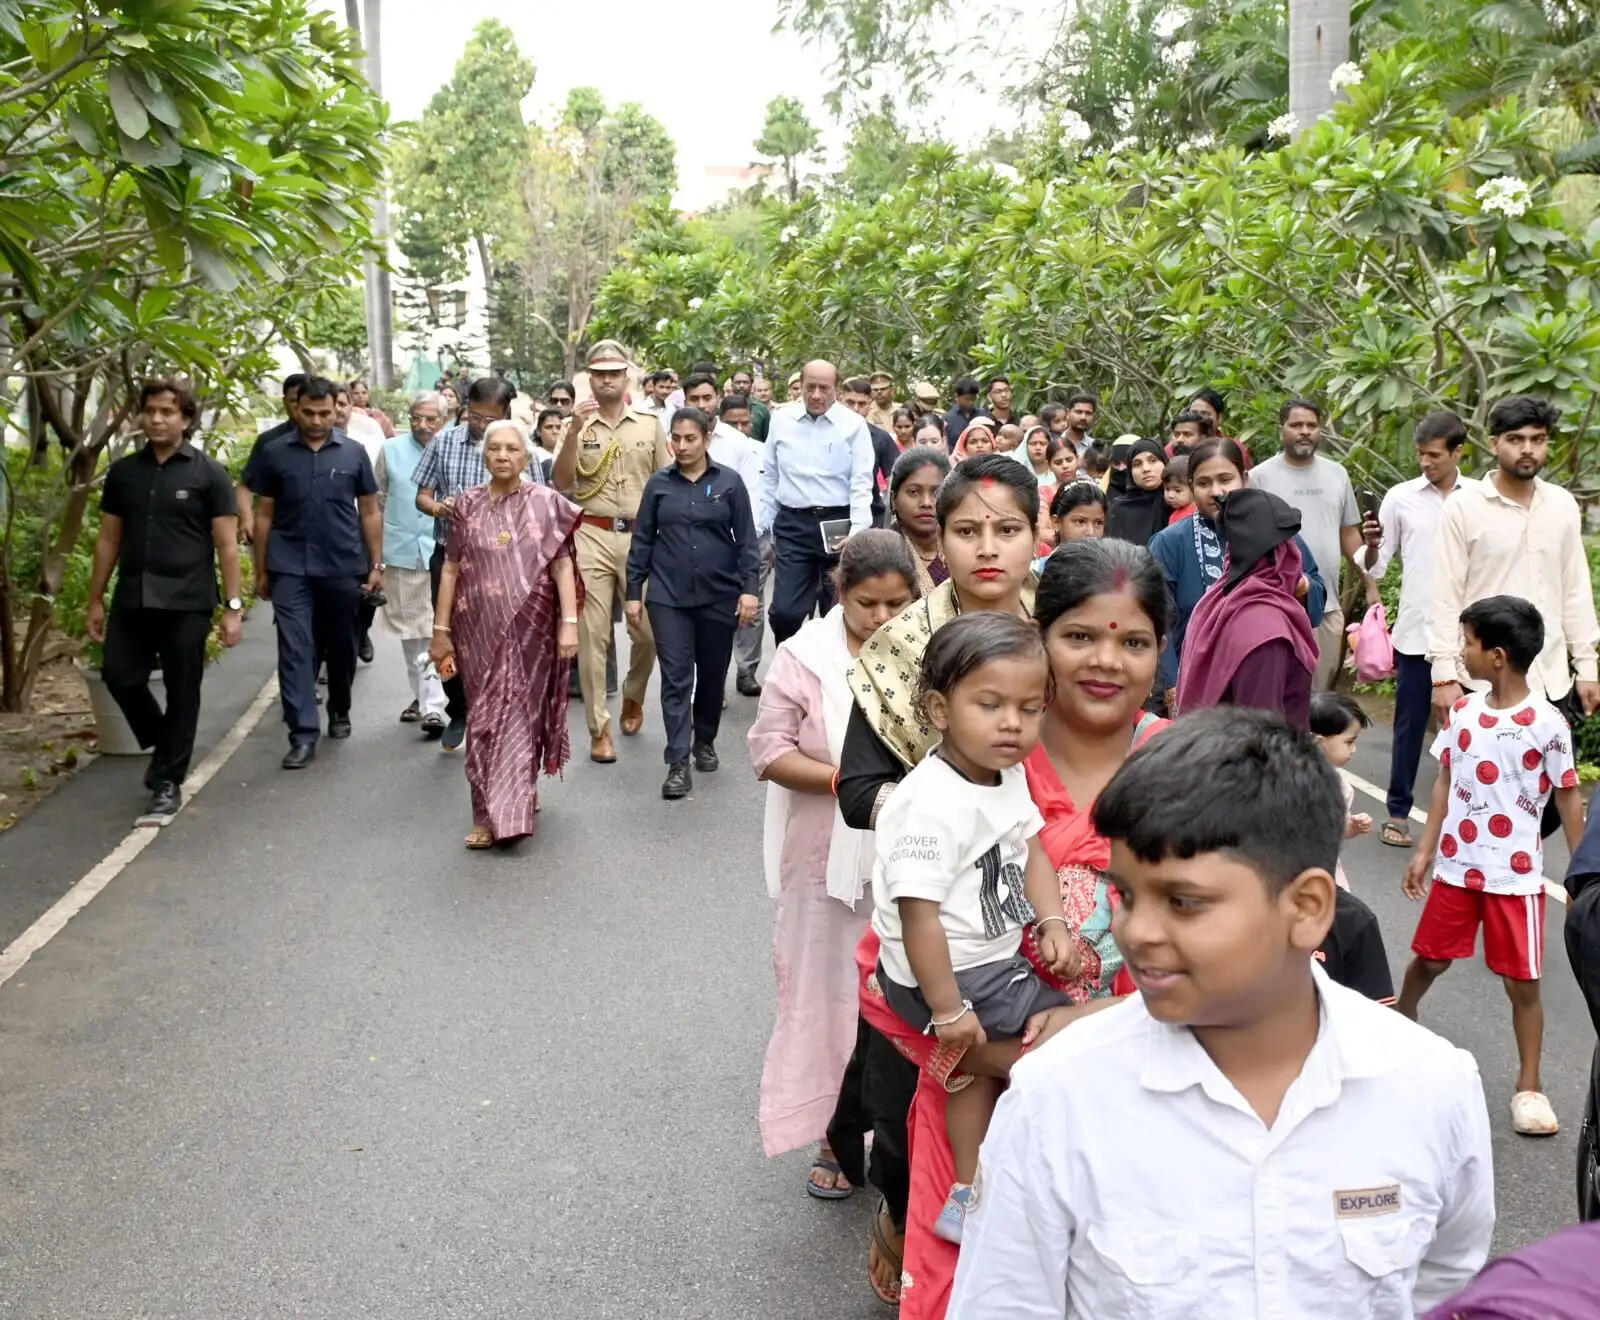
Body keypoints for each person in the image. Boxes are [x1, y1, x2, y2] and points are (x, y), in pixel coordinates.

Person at [948, 708, 1494, 1319]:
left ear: (1309, 907)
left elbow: (1444, 1283)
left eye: (1184, 902)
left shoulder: (1429, 1086)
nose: (1137, 932)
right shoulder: (1059, 1097)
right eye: (1123, 894)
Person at [851, 538, 1172, 1315]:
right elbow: (887, 969)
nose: (1106, 661)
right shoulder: (979, 770)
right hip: (978, 1084)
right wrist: (1015, 1054)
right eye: (1079, 637)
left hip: (1141, 1092)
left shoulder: (1187, 767)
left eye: (1133, 641)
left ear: (1162, 651)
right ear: (1040, 637)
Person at [871, 612, 1079, 1244]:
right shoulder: (930, 803)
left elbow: (1034, 848)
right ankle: (1054, 1186)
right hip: (949, 972)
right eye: (989, 705)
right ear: (938, 708)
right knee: (1080, 1034)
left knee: (974, 1073)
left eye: (1028, 707)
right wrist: (948, 1007)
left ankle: (966, 1193)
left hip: (984, 960)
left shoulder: (1003, 774)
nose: (1012, 723)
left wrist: (1050, 920)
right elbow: (918, 916)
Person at [749, 531, 919, 1195]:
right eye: (867, 604)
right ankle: (834, 1131)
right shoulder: (805, 656)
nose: (882, 618)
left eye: (896, 604)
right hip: (824, 859)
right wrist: (850, 781)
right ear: (838, 592)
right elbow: (768, 751)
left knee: (901, 990)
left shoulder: (934, 652)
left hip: (911, 856)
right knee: (825, 993)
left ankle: (905, 1129)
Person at [1400, 594, 1584, 1135]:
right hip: (1458, 869)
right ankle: (1400, 1022)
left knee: (1522, 982)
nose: (1462, 652)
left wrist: (1579, 873)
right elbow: (1444, 780)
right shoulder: (1463, 712)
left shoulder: (1547, 723)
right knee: (1428, 960)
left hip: (1516, 878)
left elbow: (1569, 795)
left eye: (1468, 643)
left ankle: (1530, 1088)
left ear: (1497, 655)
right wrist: (1425, 849)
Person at [87, 378, 243, 823]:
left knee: (182, 691)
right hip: (133, 596)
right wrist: (95, 598)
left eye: (167, 412)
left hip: (187, 601)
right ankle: (163, 738)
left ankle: (167, 781)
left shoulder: (208, 474)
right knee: (120, 675)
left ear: (186, 419)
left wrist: (232, 609)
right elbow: (108, 539)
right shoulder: (124, 473)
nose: (156, 419)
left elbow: (228, 546)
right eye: (150, 411)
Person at [428, 421, 581, 847]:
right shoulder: (467, 505)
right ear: (484, 456)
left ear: (526, 457)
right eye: (494, 448)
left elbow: (562, 565)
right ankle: (483, 813)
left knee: (522, 713)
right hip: (475, 626)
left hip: (532, 625)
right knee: (483, 719)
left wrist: (569, 623)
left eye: (511, 449)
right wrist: (440, 630)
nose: (502, 455)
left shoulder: (547, 502)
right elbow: (452, 569)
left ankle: (514, 803)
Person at [1426, 394, 1600, 731]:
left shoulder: (1561, 505)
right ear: (1494, 443)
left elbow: (1575, 591)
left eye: (1537, 440)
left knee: (1553, 781)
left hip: (1550, 680)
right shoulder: (1464, 507)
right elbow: (1444, 593)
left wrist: (1588, 667)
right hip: (1481, 684)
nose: (1527, 449)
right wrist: (1443, 676)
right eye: (1515, 439)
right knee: (1476, 781)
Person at [626, 407, 760, 799]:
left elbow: (747, 543)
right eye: (676, 438)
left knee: (712, 674)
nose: (682, 446)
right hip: (668, 597)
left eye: (690, 439)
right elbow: (643, 541)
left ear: (707, 440)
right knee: (676, 676)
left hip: (719, 596)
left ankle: (704, 739)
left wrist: (749, 589)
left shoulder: (730, 484)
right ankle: (677, 762)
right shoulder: (658, 485)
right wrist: (634, 593)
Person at [249, 377, 383, 768]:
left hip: (342, 564)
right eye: (308, 412)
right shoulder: (274, 453)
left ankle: (340, 707)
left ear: (337, 410)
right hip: (289, 565)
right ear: (296, 409)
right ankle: (302, 734)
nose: (317, 420)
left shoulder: (354, 453)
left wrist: (376, 565)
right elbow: (264, 514)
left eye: (325, 412)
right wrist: (261, 570)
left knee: (341, 644)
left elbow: (371, 511)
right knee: (294, 648)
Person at [549, 342, 670, 764]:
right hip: (592, 535)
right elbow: (562, 482)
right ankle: (599, 728)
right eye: (599, 373)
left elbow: (665, 483)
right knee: (592, 636)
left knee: (649, 633)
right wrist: (574, 433)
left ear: (627, 377)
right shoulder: (576, 425)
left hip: (640, 538)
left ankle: (633, 696)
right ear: (589, 377)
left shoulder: (650, 424)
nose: (606, 379)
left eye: (614, 372)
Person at [1357, 412, 1473, 846]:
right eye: (1421, 454)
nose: (1425, 462)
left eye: (1435, 455)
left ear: (1458, 452)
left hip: (1472, 639)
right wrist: (1371, 546)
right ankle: (1399, 813)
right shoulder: (1401, 498)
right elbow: (1377, 564)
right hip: (1418, 633)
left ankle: (1466, 821)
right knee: (1409, 725)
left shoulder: (1481, 497)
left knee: (1472, 729)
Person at [1149, 438, 1326, 713]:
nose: (1216, 491)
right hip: (1192, 686)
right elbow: (1158, 620)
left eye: (1225, 479)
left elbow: (1315, 590)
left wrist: (1299, 585)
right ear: (1191, 485)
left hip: (1264, 676)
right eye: (1204, 483)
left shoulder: (1274, 533)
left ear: (1244, 479)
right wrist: (1173, 685)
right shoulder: (1169, 543)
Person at [413, 377, 530, 752]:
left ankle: (500, 714)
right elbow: (422, 495)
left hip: (504, 564)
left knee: (502, 639)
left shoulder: (518, 446)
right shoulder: (445, 442)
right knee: (446, 636)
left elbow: (538, 500)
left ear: (506, 413)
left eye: (489, 418)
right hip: (451, 557)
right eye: (475, 416)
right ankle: (458, 708)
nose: (481, 425)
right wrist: (439, 508)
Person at [1249, 397, 1376, 690]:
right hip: (1277, 606)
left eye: (1311, 425)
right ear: (1281, 430)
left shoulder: (1337, 474)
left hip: (1327, 607)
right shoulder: (1258, 478)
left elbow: (1349, 535)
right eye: (1296, 425)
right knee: (1278, 691)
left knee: (1318, 696)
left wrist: (1370, 583)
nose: (1304, 431)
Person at [1176, 487, 1320, 725]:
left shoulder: (1218, 600)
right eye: (1291, 544)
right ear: (1281, 553)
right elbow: (1260, 736)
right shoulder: (1267, 631)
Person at [757, 360, 875, 646]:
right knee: (786, 612)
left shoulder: (853, 425)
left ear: (836, 390)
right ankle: (790, 668)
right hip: (793, 524)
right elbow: (769, 474)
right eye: (811, 387)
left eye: (825, 388)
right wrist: (764, 525)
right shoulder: (782, 419)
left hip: (838, 525)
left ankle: (830, 678)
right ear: (801, 385)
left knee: (837, 612)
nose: (817, 395)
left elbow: (862, 481)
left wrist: (858, 530)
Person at [681, 374, 766, 697]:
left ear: (718, 397)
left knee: (740, 613)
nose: (701, 405)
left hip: (731, 547)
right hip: (685, 551)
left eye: (707, 398)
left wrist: (747, 548)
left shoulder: (738, 444)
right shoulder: (672, 439)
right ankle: (697, 688)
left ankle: (742, 671)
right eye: (694, 399)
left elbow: (751, 501)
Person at [373, 391, 450, 734]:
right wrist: (375, 559)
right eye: (416, 417)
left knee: (436, 628)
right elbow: (375, 500)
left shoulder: (453, 450)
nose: (422, 425)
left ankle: (434, 704)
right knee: (411, 633)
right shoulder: (390, 450)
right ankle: (422, 697)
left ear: (444, 420)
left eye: (430, 419)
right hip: (402, 551)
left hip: (443, 553)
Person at [1310, 690, 1374, 891]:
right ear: (1319, 742)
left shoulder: (1341, 785)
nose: (1353, 749)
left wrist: (1352, 827)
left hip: (1326, 871)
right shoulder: (1285, 782)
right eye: (1349, 741)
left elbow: (1336, 830)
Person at [235, 373, 306, 535]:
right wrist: (247, 518)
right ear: (284, 402)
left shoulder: (334, 441)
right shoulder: (269, 442)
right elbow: (246, 485)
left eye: (303, 400)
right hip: (278, 532)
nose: (298, 406)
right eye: (293, 400)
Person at [840, 375, 905, 526]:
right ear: (840, 400)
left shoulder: (881, 438)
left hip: (871, 515)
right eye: (850, 403)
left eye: (861, 404)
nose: (855, 409)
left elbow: (895, 481)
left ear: (870, 403)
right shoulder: (824, 434)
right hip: (831, 515)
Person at [887, 446, 950, 596]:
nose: (927, 502)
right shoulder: (873, 552)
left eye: (937, 492)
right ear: (894, 499)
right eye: (913, 492)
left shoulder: (965, 551)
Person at [1104, 437, 1169, 545]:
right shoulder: (1119, 509)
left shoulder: (1178, 502)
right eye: (1137, 464)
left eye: (1153, 460)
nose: (1146, 468)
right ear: (1130, 472)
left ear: (1164, 462)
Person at [727, 366, 771, 440]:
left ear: (751, 385)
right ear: (732, 385)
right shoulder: (724, 408)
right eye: (738, 382)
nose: (741, 385)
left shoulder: (761, 410)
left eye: (745, 382)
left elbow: (768, 439)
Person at [943, 376, 980, 451]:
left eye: (973, 399)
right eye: (967, 399)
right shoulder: (948, 419)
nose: (971, 402)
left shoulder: (983, 415)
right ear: (957, 397)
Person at [532, 407, 563, 482]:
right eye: (549, 427)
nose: (555, 431)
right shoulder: (533, 456)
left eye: (559, 427)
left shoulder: (572, 455)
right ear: (538, 431)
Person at [1162, 455, 1194, 519]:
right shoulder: (1174, 516)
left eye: (1177, 490)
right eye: (1167, 489)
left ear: (1193, 487)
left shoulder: (1199, 514)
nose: (1170, 495)